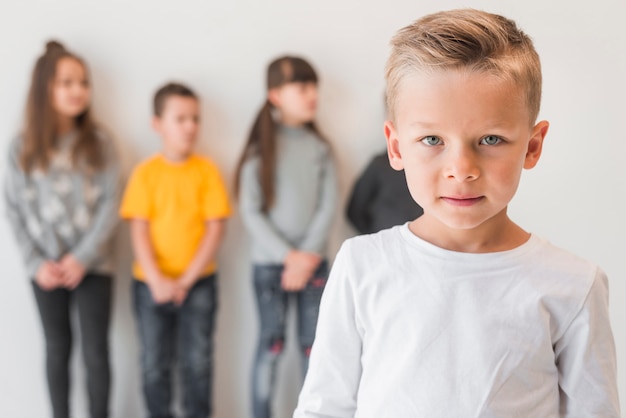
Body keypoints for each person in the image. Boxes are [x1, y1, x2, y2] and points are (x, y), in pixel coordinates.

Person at [294, 9, 620, 417]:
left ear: (533, 146)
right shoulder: (361, 267)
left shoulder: (574, 286)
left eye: (490, 138)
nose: (461, 168)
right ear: (396, 148)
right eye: (432, 139)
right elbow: (325, 407)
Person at [4, 40, 120, 418]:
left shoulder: (100, 144)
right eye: (67, 82)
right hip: (44, 270)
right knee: (57, 349)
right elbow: (13, 208)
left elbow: (111, 203)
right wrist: (35, 261)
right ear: (45, 89)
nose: (77, 91)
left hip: (93, 265)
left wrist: (83, 258)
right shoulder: (21, 148)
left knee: (96, 351)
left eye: (82, 82)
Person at [119, 83, 231, 418]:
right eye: (180, 118)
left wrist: (185, 280)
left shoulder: (206, 171)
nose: (190, 126)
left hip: (198, 285)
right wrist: (157, 280)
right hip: (149, 287)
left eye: (194, 118)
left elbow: (215, 228)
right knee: (154, 365)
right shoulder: (145, 173)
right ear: (158, 124)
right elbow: (138, 229)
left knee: (197, 365)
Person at [234, 56, 337, 418]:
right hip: (269, 267)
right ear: (275, 95)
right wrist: (288, 257)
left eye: (314, 87)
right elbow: (251, 211)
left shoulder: (320, 148)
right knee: (270, 347)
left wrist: (306, 255)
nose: (313, 95)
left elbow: (328, 207)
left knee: (314, 348)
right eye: (303, 87)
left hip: (314, 265)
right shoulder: (260, 149)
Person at [346, 150, 423, 234]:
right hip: (382, 237)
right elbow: (355, 209)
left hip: (420, 240)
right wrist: (372, 238)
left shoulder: (425, 166)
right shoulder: (380, 164)